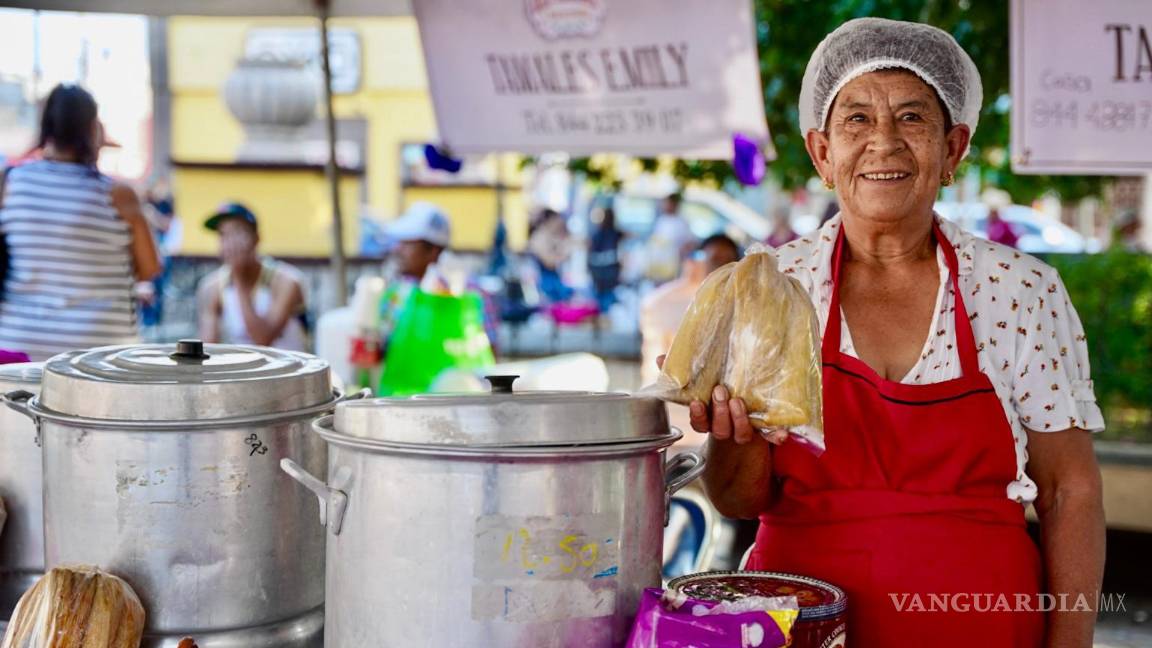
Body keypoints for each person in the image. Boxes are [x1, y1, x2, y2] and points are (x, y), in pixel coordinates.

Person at [675, 19, 1104, 646]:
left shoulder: (1018, 289)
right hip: (798, 627)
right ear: (822, 153)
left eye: (911, 118)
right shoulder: (771, 288)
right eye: (855, 119)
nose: (884, 143)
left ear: (953, 149)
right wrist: (730, 431)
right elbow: (741, 501)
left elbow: (1070, 487)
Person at [0, 84, 161, 360]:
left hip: (20, 342)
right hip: (98, 349)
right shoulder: (117, 194)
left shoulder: (9, 182)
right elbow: (150, 268)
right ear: (92, 128)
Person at [196, 202, 307, 351]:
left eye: (237, 233)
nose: (230, 242)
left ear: (256, 238)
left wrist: (239, 280)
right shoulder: (211, 287)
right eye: (223, 234)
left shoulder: (286, 281)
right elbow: (207, 348)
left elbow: (262, 339)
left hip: (287, 371)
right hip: (244, 372)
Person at [645, 192, 698, 284]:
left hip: (673, 267)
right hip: (658, 265)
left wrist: (680, 254)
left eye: (669, 203)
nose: (665, 206)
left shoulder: (681, 222)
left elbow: (690, 243)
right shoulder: (662, 220)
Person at [525, 208, 574, 303]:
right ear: (549, 221)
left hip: (551, 284)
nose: (559, 223)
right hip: (544, 286)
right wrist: (566, 252)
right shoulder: (539, 237)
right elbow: (549, 262)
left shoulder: (550, 236)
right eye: (557, 220)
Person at [587, 206, 624, 313]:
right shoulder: (615, 233)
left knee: (599, 295)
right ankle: (605, 315)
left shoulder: (596, 233)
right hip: (610, 269)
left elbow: (590, 250)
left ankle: (600, 314)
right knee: (608, 296)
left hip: (597, 269)